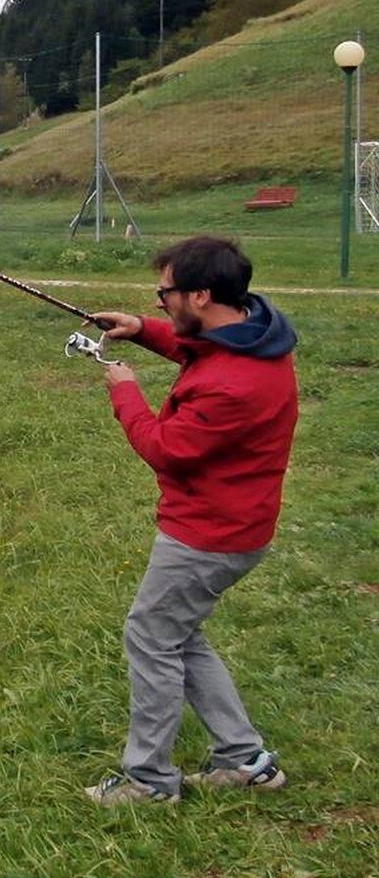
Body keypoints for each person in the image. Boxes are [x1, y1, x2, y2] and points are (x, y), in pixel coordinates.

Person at [83, 236, 298, 806]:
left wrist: (125, 392)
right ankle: (245, 759)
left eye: (165, 294)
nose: (160, 302)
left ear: (200, 295)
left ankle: (149, 781)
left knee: (150, 636)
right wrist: (142, 328)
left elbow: (165, 449)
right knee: (175, 632)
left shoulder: (234, 385)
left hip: (209, 536)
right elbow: (198, 351)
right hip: (235, 524)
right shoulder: (254, 332)